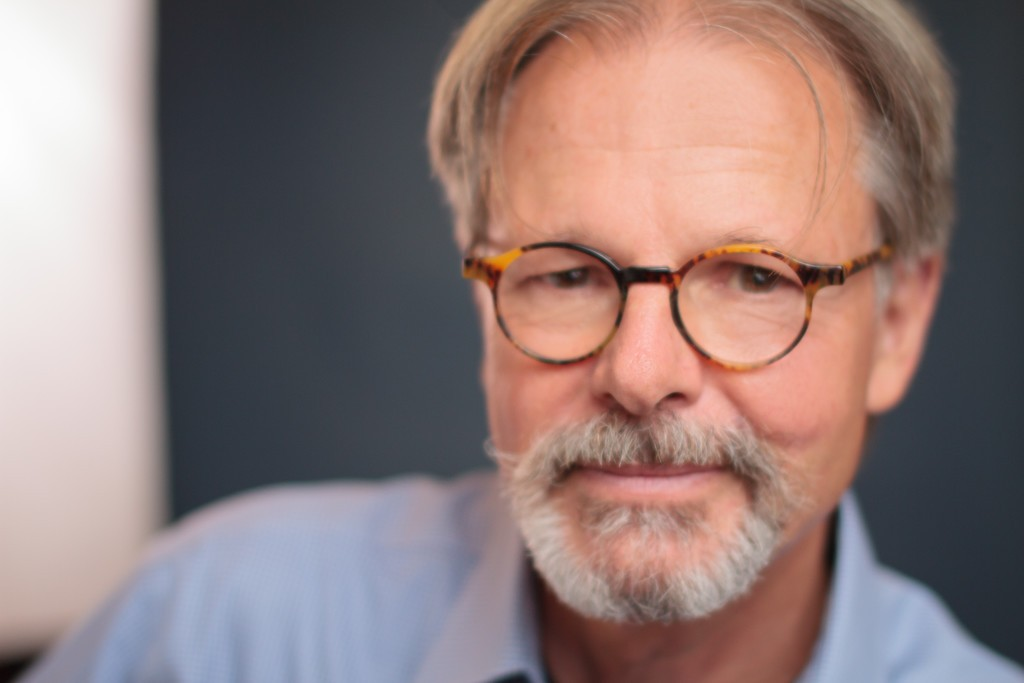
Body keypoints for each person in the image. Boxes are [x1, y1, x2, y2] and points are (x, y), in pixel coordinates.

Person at [21, 0, 1024, 681]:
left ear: (895, 321)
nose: (639, 373)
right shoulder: (214, 633)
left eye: (752, 278)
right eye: (568, 274)